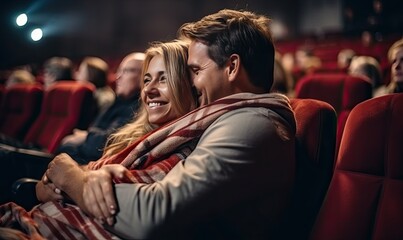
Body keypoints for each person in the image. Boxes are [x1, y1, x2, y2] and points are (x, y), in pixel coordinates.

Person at [2, 9, 297, 239]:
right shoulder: (228, 118)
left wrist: (76, 180)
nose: (192, 83)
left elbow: (154, 215)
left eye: (194, 71)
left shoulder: (251, 123)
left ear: (231, 67)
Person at [0, 39, 197, 238]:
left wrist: (70, 177)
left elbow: (122, 211)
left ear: (192, 85)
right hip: (36, 217)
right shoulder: (135, 133)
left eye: (163, 79)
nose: (149, 90)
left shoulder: (182, 150)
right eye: (147, 80)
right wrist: (48, 184)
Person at [55, 52, 146, 164]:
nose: (118, 77)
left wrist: (86, 137)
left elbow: (111, 144)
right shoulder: (118, 101)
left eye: (127, 71)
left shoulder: (140, 108)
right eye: (119, 70)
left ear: (145, 77)